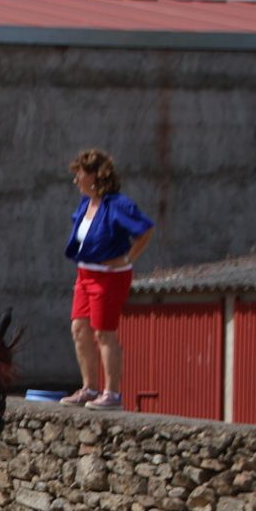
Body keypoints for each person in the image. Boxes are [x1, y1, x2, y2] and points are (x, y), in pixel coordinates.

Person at [60, 148, 155, 411]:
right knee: (79, 329)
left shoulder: (117, 204)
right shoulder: (85, 204)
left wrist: (127, 258)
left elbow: (145, 230)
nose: (76, 181)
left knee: (104, 332)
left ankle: (112, 393)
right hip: (85, 274)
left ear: (94, 176)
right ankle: (89, 388)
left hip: (108, 278)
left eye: (80, 175)